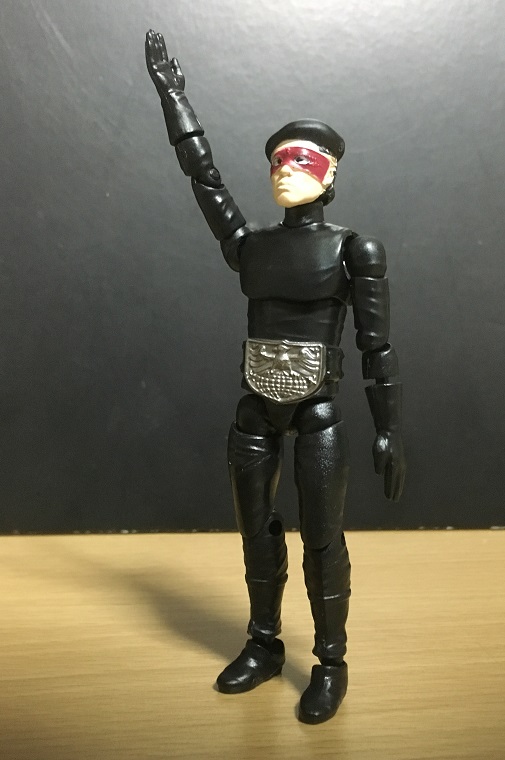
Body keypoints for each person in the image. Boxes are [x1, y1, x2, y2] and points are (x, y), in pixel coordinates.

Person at [145, 29, 406, 724]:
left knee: (322, 538)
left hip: (318, 410)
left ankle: (330, 661)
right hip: (255, 408)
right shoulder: (252, 246)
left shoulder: (354, 249)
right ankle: (263, 643)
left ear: (331, 172)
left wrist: (388, 430)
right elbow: (204, 180)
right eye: (278, 159)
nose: (287, 167)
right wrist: (174, 99)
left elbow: (377, 346)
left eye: (303, 158)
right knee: (255, 531)